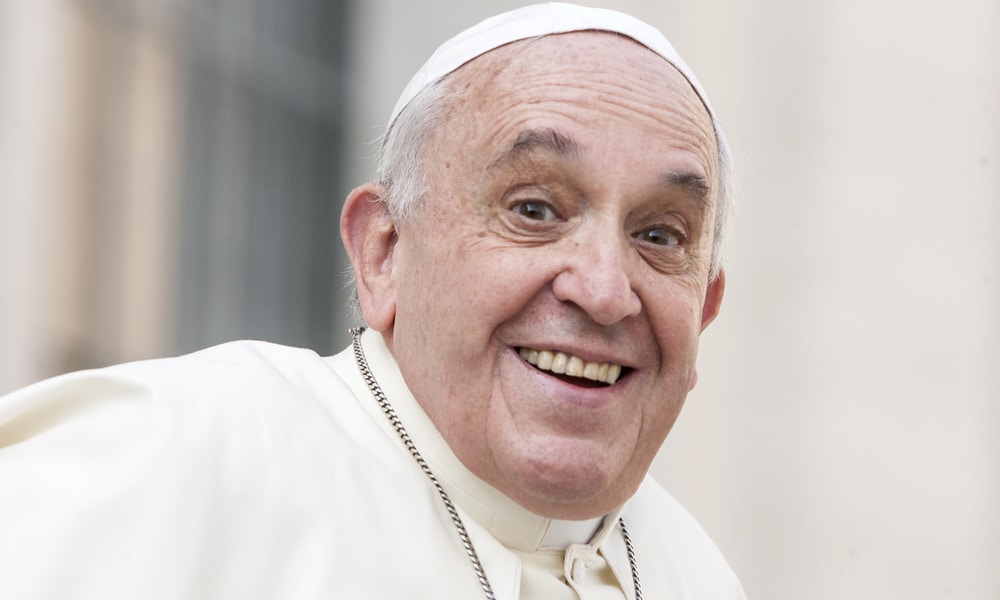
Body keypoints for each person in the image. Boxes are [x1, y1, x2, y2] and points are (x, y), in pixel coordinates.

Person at [0, 3, 744, 599]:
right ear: (382, 253)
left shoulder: (695, 575)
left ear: (703, 312)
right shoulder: (167, 458)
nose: (605, 289)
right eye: (534, 210)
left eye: (658, 233)